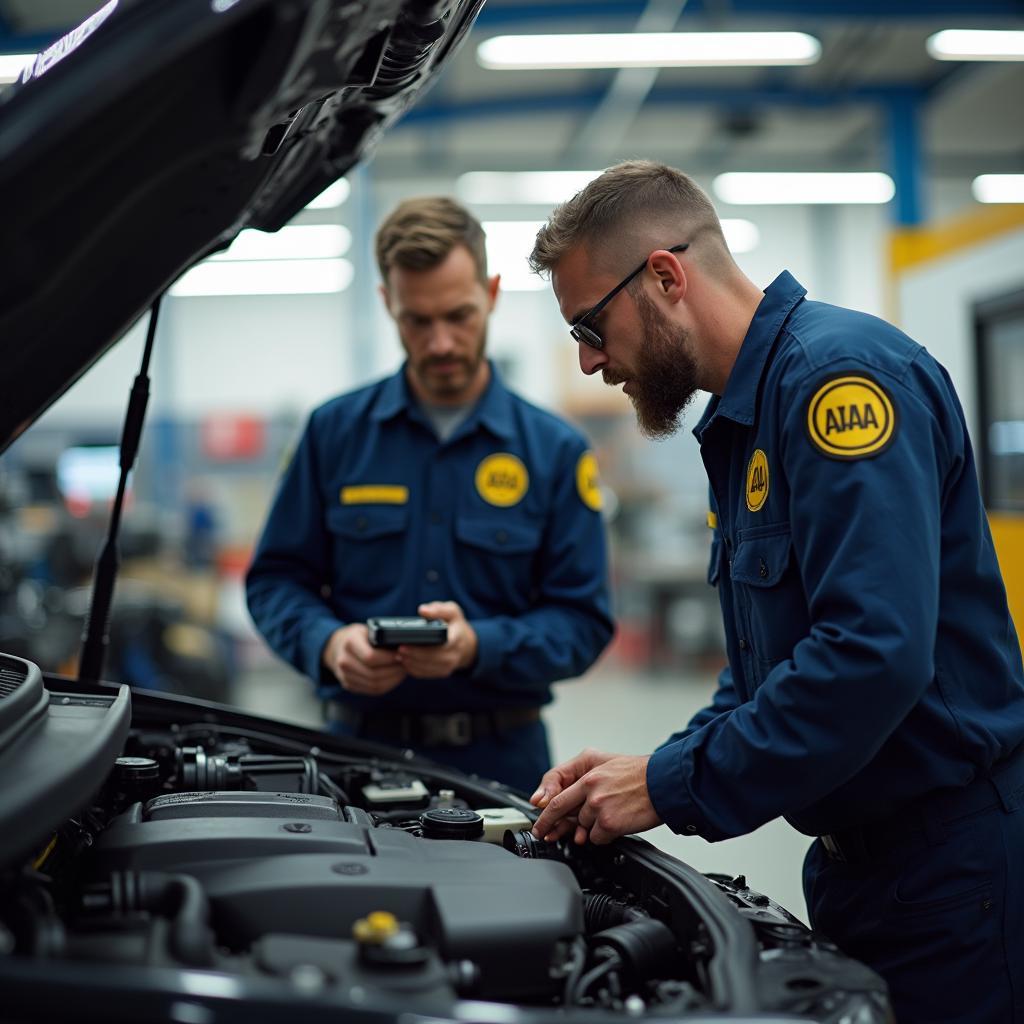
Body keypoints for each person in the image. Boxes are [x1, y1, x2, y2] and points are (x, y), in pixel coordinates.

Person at [526, 160, 1024, 1022]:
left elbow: (870, 656)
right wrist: (646, 767)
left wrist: (671, 783)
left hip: (951, 869)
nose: (589, 358)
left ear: (666, 276)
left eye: (589, 323)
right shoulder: (744, 420)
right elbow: (770, 669)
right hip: (864, 867)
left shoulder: (839, 383)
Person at [246, 196, 613, 792]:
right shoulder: (332, 434)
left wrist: (477, 646)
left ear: (491, 294)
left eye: (459, 315)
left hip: (503, 766)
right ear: (388, 304)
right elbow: (274, 582)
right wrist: (329, 643)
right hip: (356, 759)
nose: (441, 342)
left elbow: (583, 622)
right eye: (418, 321)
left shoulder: (554, 451)